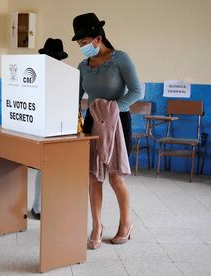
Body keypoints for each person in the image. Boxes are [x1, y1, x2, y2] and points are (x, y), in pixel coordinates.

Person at [71, 13, 142, 248]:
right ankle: (97, 226)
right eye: (80, 44)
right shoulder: (83, 66)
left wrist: (112, 109)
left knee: (115, 176)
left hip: (118, 122)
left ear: (98, 38)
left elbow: (136, 91)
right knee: (94, 177)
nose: (82, 48)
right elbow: (75, 96)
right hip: (93, 123)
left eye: (84, 43)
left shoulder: (120, 59)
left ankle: (125, 223)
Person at [31, 38, 68, 220]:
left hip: (60, 127)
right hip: (43, 126)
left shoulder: (65, 75)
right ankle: (38, 206)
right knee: (43, 167)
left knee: (53, 168)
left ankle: (45, 205)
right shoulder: (38, 74)